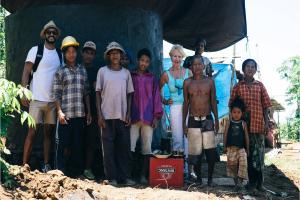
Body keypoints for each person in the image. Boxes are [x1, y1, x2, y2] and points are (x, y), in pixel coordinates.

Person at [21, 20, 62, 172]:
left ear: (56, 36)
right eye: (48, 32)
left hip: (52, 102)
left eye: (53, 32)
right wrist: (24, 92)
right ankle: (23, 165)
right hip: (36, 99)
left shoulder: (59, 54)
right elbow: (26, 71)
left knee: (48, 134)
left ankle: (46, 164)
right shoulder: (35, 50)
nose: (51, 34)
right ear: (44, 34)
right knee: (31, 132)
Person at [229, 59, 272, 191]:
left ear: (255, 70)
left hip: (258, 125)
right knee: (246, 155)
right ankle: (249, 183)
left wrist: (266, 123)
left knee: (258, 156)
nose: (250, 69)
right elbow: (231, 105)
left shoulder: (260, 86)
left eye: (253, 67)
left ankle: (260, 184)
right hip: (243, 128)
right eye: (248, 66)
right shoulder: (238, 86)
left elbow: (266, 106)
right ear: (243, 69)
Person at [96, 42, 135, 186]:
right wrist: (99, 115)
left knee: (123, 148)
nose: (115, 55)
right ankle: (111, 178)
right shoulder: (102, 71)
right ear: (108, 56)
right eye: (112, 53)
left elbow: (130, 94)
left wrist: (129, 114)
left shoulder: (126, 73)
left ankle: (124, 177)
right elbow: (98, 94)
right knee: (108, 149)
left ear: (121, 55)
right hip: (106, 116)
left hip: (122, 116)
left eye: (117, 53)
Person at [52, 36, 91, 177]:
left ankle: (77, 175)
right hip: (65, 115)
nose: (71, 54)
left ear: (76, 53)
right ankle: (60, 174)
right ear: (64, 53)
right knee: (62, 146)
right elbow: (56, 94)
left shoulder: (82, 70)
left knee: (77, 146)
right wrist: (59, 112)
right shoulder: (60, 71)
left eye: (73, 51)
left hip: (79, 114)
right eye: (68, 51)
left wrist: (89, 111)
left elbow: (86, 92)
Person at [182, 56, 219, 186]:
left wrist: (217, 120)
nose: (197, 67)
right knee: (195, 152)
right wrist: (183, 124)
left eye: (199, 64)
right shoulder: (187, 83)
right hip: (193, 120)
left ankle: (210, 179)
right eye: (194, 65)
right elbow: (185, 104)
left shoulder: (210, 82)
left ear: (204, 66)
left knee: (210, 151)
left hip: (207, 119)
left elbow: (213, 101)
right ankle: (198, 179)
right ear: (191, 67)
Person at [130, 48, 163, 184]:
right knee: (130, 146)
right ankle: (131, 175)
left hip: (148, 118)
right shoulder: (131, 76)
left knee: (146, 148)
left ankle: (143, 175)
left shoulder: (152, 79)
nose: (144, 63)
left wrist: (156, 117)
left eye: (147, 61)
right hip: (133, 117)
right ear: (138, 61)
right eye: (142, 60)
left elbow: (156, 98)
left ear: (149, 63)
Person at [160, 44, 192, 173]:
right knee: (177, 138)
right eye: (174, 56)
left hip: (188, 107)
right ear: (171, 57)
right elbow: (158, 90)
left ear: (182, 57)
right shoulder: (166, 74)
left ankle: (190, 169)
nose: (177, 59)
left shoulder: (188, 72)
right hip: (174, 108)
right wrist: (165, 100)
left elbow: (194, 89)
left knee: (188, 137)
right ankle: (180, 170)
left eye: (179, 56)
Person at [80, 41, 103, 180]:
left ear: (94, 55)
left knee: (91, 142)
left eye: (91, 53)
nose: (88, 55)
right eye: (86, 52)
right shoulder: (76, 69)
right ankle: (75, 168)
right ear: (82, 53)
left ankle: (88, 169)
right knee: (76, 141)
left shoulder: (97, 72)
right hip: (75, 110)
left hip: (93, 112)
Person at [223, 97, 249, 190]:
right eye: (234, 112)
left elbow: (246, 137)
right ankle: (236, 184)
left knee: (243, 164)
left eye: (239, 112)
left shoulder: (243, 123)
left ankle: (240, 184)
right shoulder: (228, 122)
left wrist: (248, 149)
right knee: (232, 166)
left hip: (241, 149)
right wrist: (224, 146)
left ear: (242, 113)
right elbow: (225, 134)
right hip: (230, 148)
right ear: (231, 113)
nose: (236, 114)